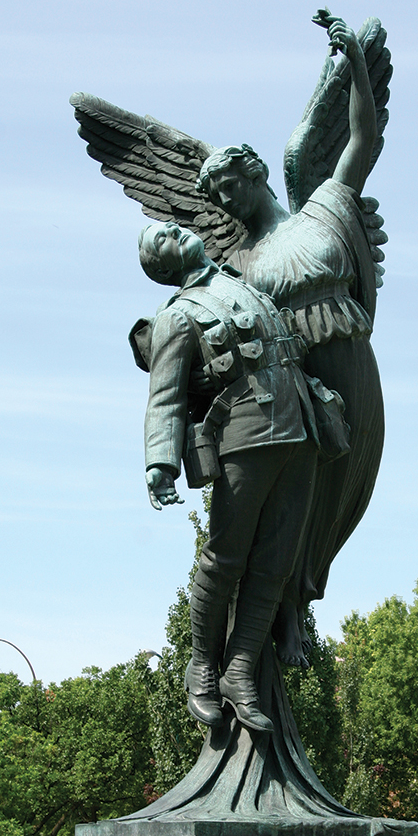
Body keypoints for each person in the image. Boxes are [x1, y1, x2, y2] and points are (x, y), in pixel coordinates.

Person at [195, 16, 385, 668]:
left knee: (336, 498)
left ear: (255, 175)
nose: (225, 200)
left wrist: (352, 62)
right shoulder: (237, 264)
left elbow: (361, 137)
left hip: (352, 363)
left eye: (229, 185)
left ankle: (293, 608)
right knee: (293, 506)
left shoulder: (322, 203)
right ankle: (280, 623)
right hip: (298, 385)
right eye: (214, 195)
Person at [130, 220, 321, 733]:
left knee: (276, 562)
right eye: (162, 238)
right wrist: (160, 462)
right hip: (245, 434)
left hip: (300, 430)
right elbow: (165, 396)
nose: (174, 229)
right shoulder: (177, 316)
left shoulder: (243, 283)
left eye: (170, 226)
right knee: (225, 558)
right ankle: (200, 666)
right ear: (164, 266)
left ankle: (239, 672)